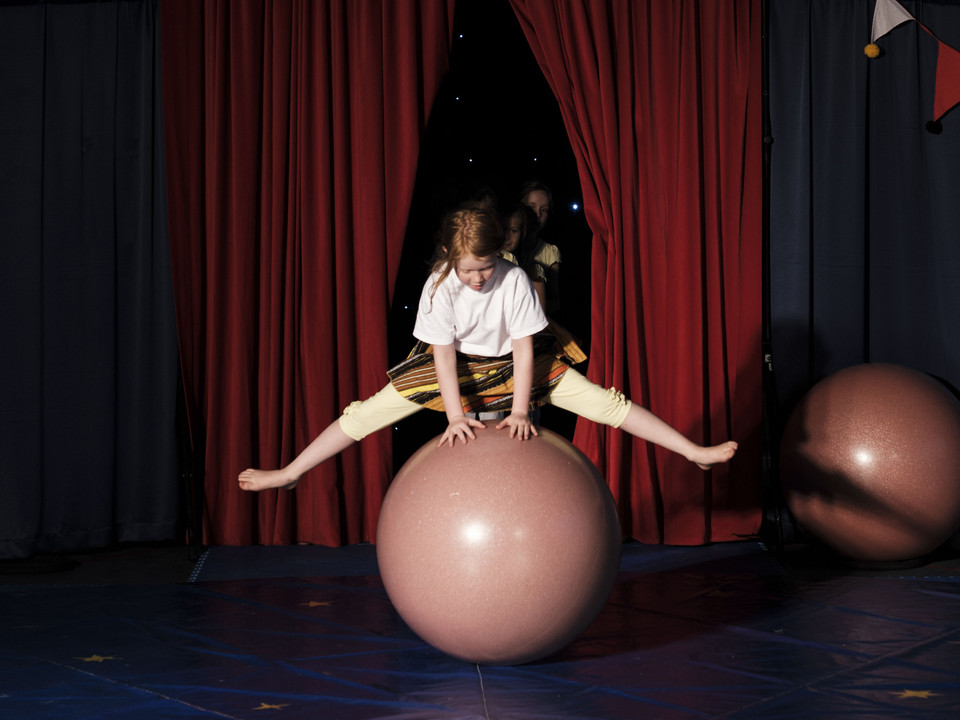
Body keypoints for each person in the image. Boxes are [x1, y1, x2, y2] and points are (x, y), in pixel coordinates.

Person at [238, 208, 737, 492]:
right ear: (450, 259)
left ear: (499, 255)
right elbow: (443, 358)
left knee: (604, 402)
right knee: (370, 410)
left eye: (485, 268)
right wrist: (454, 417)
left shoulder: (514, 279)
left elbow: (523, 349)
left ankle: (693, 452)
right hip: (459, 369)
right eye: (468, 270)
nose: (477, 279)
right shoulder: (440, 287)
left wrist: (521, 410)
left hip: (515, 365)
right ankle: (291, 472)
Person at [519, 180, 562, 314]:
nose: (537, 215)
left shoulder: (550, 252)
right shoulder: (505, 246)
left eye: (544, 210)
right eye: (531, 208)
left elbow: (555, 303)